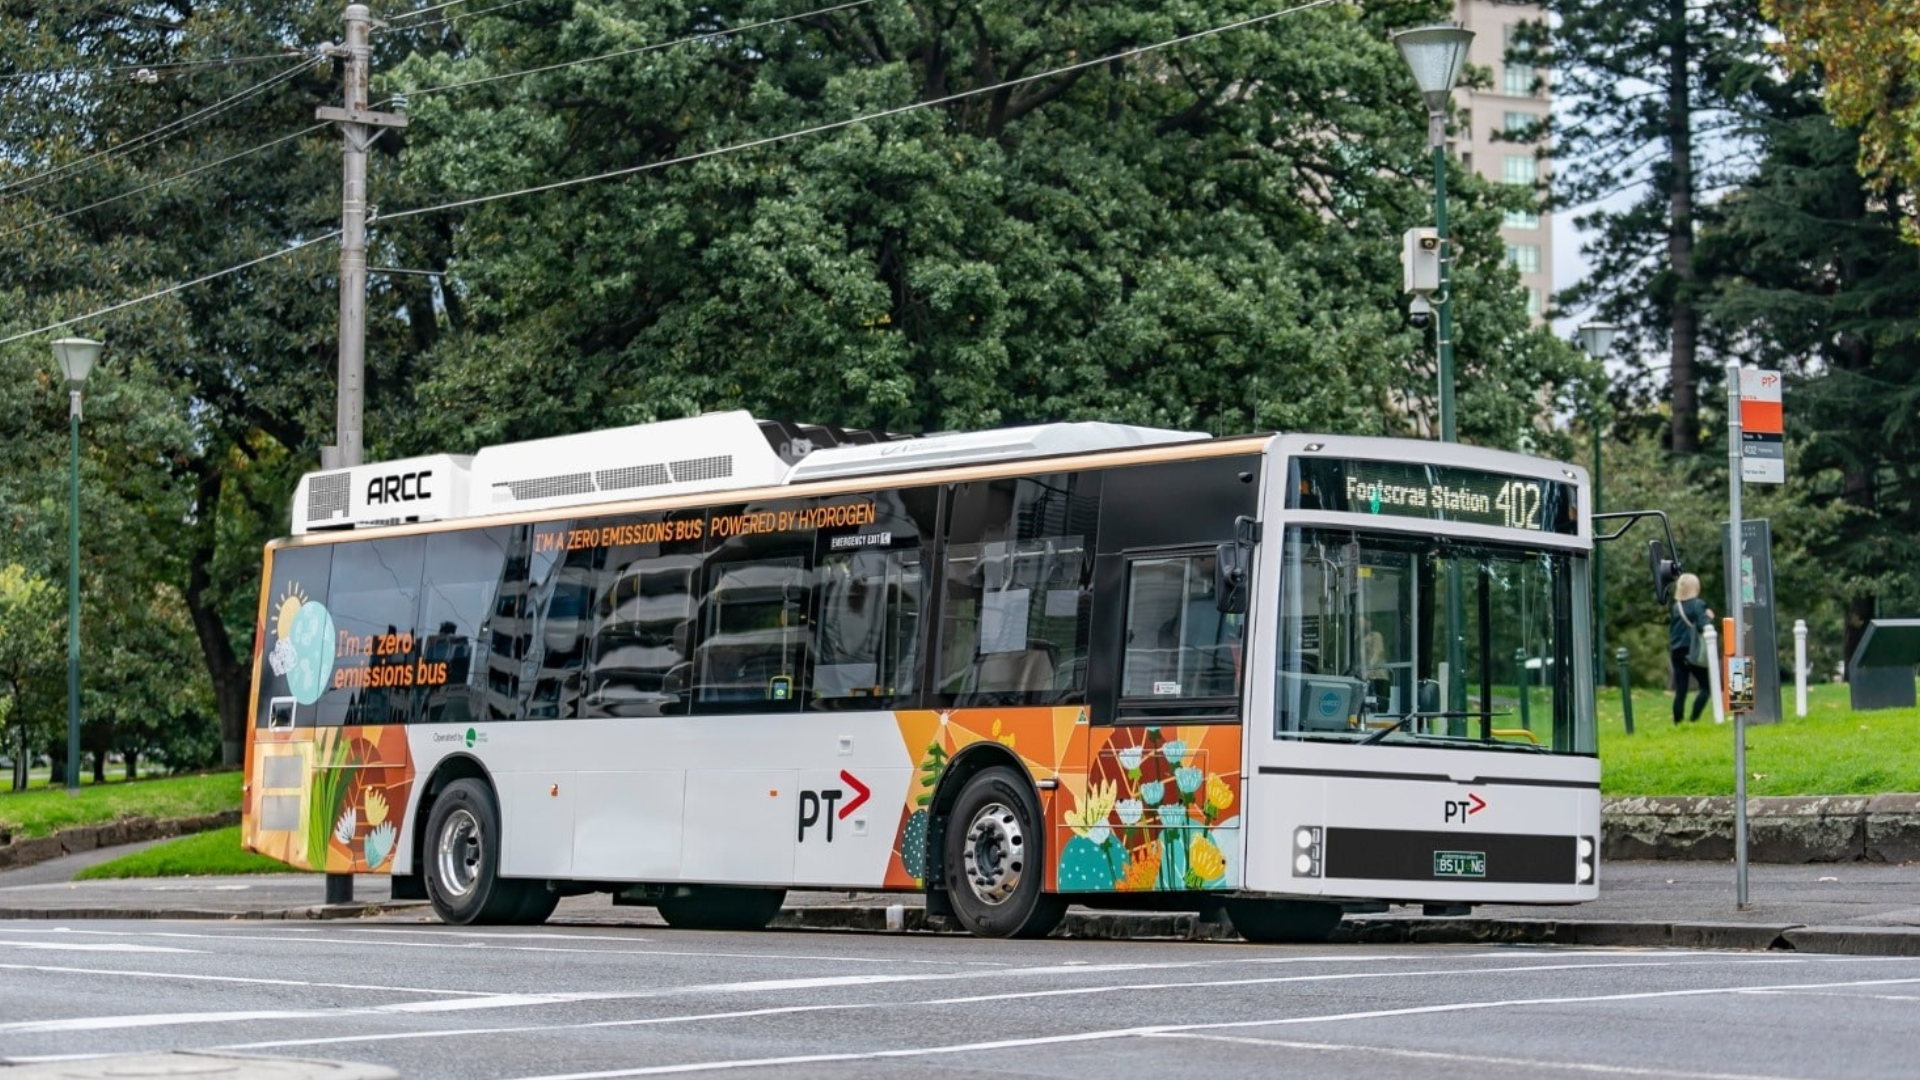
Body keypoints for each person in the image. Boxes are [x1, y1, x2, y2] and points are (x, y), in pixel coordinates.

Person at [1668, 573, 1715, 724]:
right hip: (1692, 651)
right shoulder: (1698, 604)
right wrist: (1709, 617)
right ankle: (1694, 719)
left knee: (1680, 690)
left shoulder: (1676, 607)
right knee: (1706, 687)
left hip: (1676, 651)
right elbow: (1703, 626)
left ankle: (1678, 723)